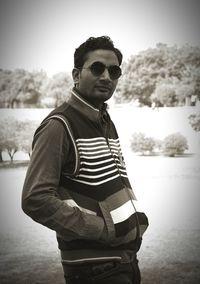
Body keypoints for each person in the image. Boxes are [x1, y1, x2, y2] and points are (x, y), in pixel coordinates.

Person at [22, 36, 149, 284]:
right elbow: (35, 199)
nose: (106, 77)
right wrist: (101, 229)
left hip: (125, 261)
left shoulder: (104, 120)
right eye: (97, 68)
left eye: (114, 71)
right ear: (76, 74)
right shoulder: (59, 125)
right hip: (95, 271)